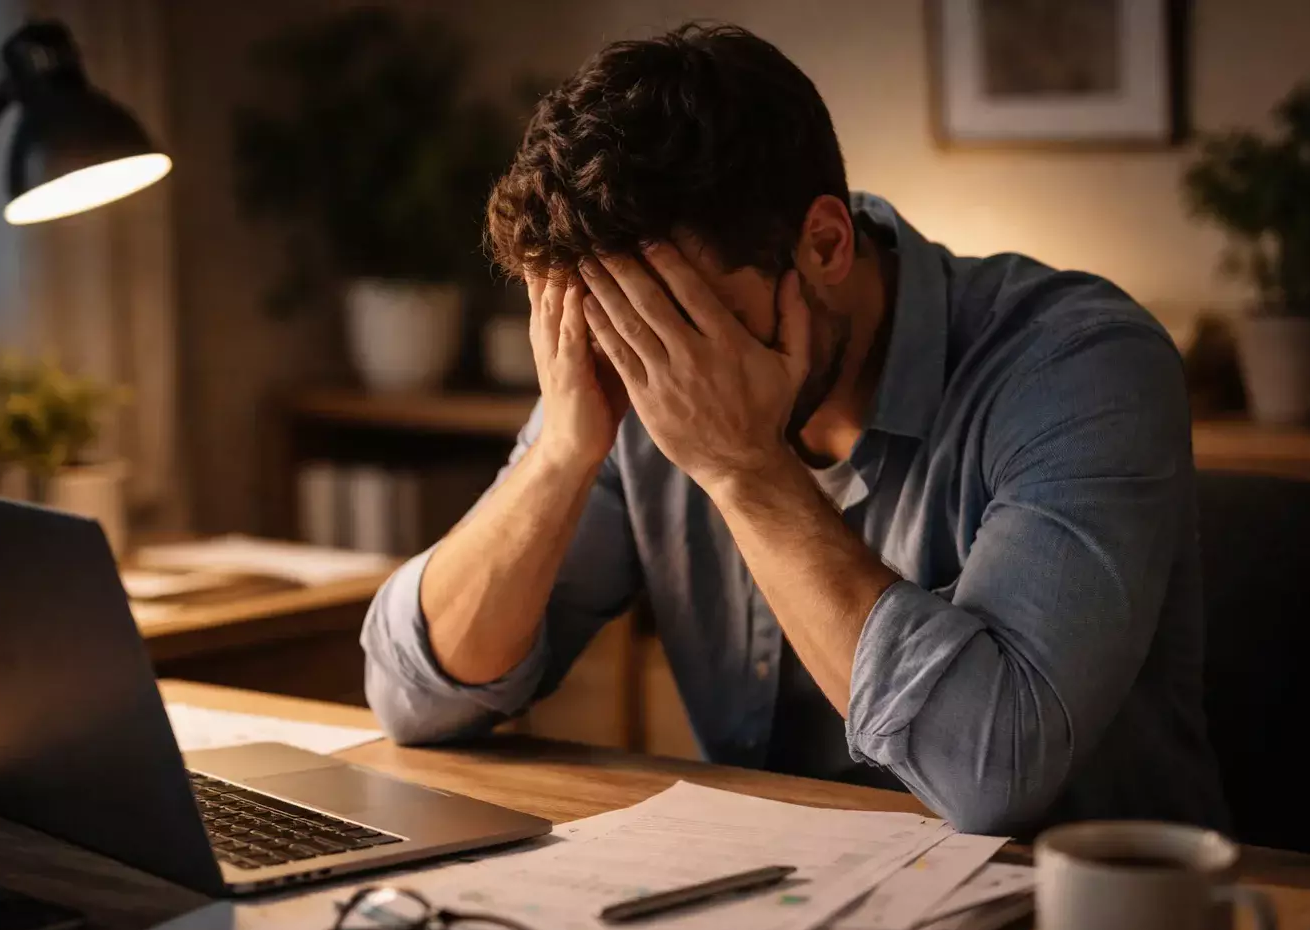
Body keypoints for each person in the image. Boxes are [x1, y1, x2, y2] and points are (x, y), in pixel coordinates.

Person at [361, 23, 1228, 836]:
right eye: (616, 332)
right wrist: (560, 454)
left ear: (824, 244)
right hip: (776, 910)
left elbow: (990, 769)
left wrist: (745, 470)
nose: (655, 373)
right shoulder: (628, 381)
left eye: (687, 328)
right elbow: (414, 697)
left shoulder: (1079, 363)